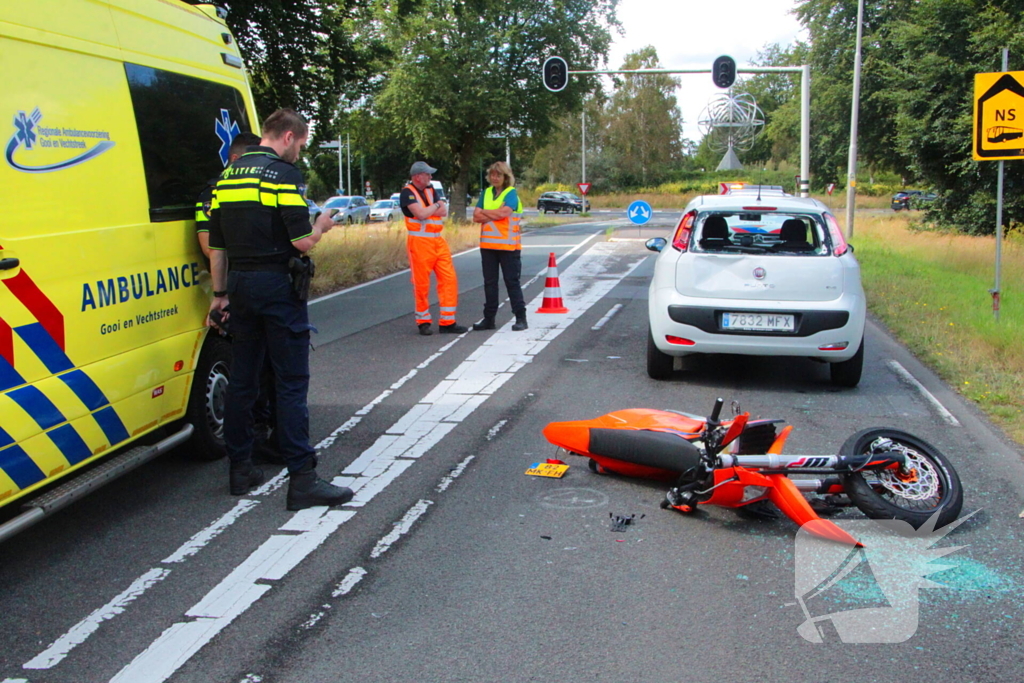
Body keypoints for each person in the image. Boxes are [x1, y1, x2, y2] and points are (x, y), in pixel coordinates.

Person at [206, 108, 353, 510]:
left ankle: (241, 468)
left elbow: (217, 245)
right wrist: (322, 224)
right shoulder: (283, 176)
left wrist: (219, 294)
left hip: (238, 286)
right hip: (276, 285)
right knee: (290, 382)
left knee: (244, 379)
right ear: (288, 136)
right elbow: (303, 240)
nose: (300, 153)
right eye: (301, 144)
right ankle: (302, 479)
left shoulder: (227, 177)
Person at [195, 131, 281, 463]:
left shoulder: (262, 187)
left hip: (255, 285)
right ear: (235, 160)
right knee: (248, 374)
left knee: (267, 370)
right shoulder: (214, 192)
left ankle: (263, 438)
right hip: (236, 289)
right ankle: (250, 446)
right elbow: (209, 246)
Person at [400, 161, 467, 335]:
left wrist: (433, 207)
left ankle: (448, 321)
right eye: (427, 174)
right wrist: (434, 207)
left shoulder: (431, 190)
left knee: (449, 279)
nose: (430, 177)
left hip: (438, 241)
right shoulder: (407, 193)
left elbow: (443, 211)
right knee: (421, 284)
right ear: (417, 177)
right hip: (420, 243)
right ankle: (423, 321)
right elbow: (420, 214)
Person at [472, 161, 526, 331]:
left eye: (499, 175)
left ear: (506, 177)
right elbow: (475, 216)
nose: (495, 178)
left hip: (509, 247)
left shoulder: (511, 194)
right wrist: (494, 214)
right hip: (488, 247)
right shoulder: (486, 193)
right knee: (490, 283)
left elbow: (505, 213)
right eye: (493, 175)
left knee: (512, 282)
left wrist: (485, 213)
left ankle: (520, 318)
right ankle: (489, 319)